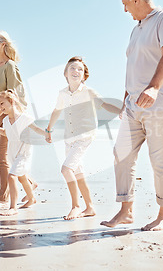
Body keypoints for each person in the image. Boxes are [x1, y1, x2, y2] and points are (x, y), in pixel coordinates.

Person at [101, 0, 163, 231]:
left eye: (126, 3)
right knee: (121, 154)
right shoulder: (136, 29)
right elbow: (133, 66)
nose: (125, 9)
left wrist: (154, 87)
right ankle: (126, 211)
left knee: (161, 160)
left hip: (158, 103)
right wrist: (125, 98)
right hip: (133, 105)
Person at [46, 57, 120, 220]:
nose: (76, 71)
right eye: (72, 68)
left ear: (84, 75)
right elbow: (56, 111)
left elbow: (104, 104)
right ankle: (90, 207)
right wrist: (48, 129)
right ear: (65, 73)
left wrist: (121, 111)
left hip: (84, 137)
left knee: (66, 170)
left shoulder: (89, 92)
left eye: (80, 69)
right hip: (69, 138)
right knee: (78, 174)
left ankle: (76, 206)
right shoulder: (62, 93)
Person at [0, 30, 36, 210]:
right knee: (4, 158)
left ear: (3, 44)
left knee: (1, 157)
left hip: (12, 115)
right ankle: (30, 184)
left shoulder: (10, 67)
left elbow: (12, 97)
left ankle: (3, 199)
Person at [0, 89, 48, 216]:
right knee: (22, 178)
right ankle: (32, 198)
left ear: (11, 102)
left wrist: (47, 134)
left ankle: (13, 207)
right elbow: (7, 133)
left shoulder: (24, 118)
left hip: (24, 153)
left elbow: (36, 129)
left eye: (2, 103)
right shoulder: (6, 120)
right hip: (13, 153)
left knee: (12, 177)